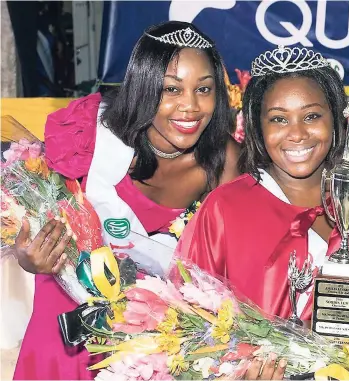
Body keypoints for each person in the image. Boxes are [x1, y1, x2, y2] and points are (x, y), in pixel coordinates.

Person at [177, 45, 349, 380]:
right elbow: (189, 318)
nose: (297, 134)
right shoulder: (224, 209)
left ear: (337, 119)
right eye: (278, 119)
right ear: (256, 125)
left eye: (312, 116)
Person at [12, 21, 239, 380]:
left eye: (204, 89)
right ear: (144, 86)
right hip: (65, 328)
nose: (191, 107)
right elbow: (37, 220)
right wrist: (29, 254)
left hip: (149, 348)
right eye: (171, 89)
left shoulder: (227, 165)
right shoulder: (89, 134)